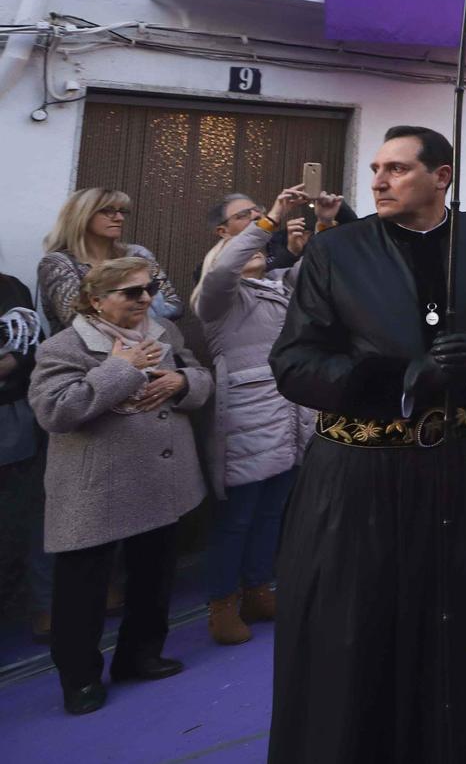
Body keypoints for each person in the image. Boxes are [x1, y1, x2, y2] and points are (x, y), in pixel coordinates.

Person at [268, 126, 466, 764]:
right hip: (356, 481)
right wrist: (396, 380)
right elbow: (293, 364)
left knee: (459, 627)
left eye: (396, 168)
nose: (377, 180)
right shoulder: (335, 252)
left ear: (442, 176)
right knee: (357, 633)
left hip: (460, 470)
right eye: (376, 168)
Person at [29, 256, 212, 715]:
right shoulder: (64, 347)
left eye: (148, 288)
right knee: (82, 591)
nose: (146, 299)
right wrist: (122, 368)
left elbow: (201, 378)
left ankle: (140, 656)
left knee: (154, 576)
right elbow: (56, 412)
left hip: (161, 476)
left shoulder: (164, 332)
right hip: (97, 487)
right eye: (132, 293)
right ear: (96, 300)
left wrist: (181, 380)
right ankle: (80, 680)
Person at [192, 187, 319, 646]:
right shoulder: (217, 296)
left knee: (271, 513)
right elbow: (224, 268)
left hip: (288, 415)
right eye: (244, 218)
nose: (260, 225)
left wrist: (323, 225)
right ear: (222, 234)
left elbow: (314, 275)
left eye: (259, 218)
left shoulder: (275, 286)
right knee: (238, 519)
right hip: (248, 419)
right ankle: (222, 603)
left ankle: (257, 589)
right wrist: (270, 218)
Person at [38, 188, 183, 332]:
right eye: (108, 210)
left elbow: (174, 305)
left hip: (151, 346)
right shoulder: (58, 264)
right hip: (85, 352)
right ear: (82, 216)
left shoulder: (138, 255)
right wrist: (144, 312)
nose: (119, 218)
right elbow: (77, 320)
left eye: (122, 211)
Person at [0, 265, 53, 645]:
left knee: (31, 513)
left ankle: (45, 604)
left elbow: (30, 349)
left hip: (14, 417)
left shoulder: (9, 287)